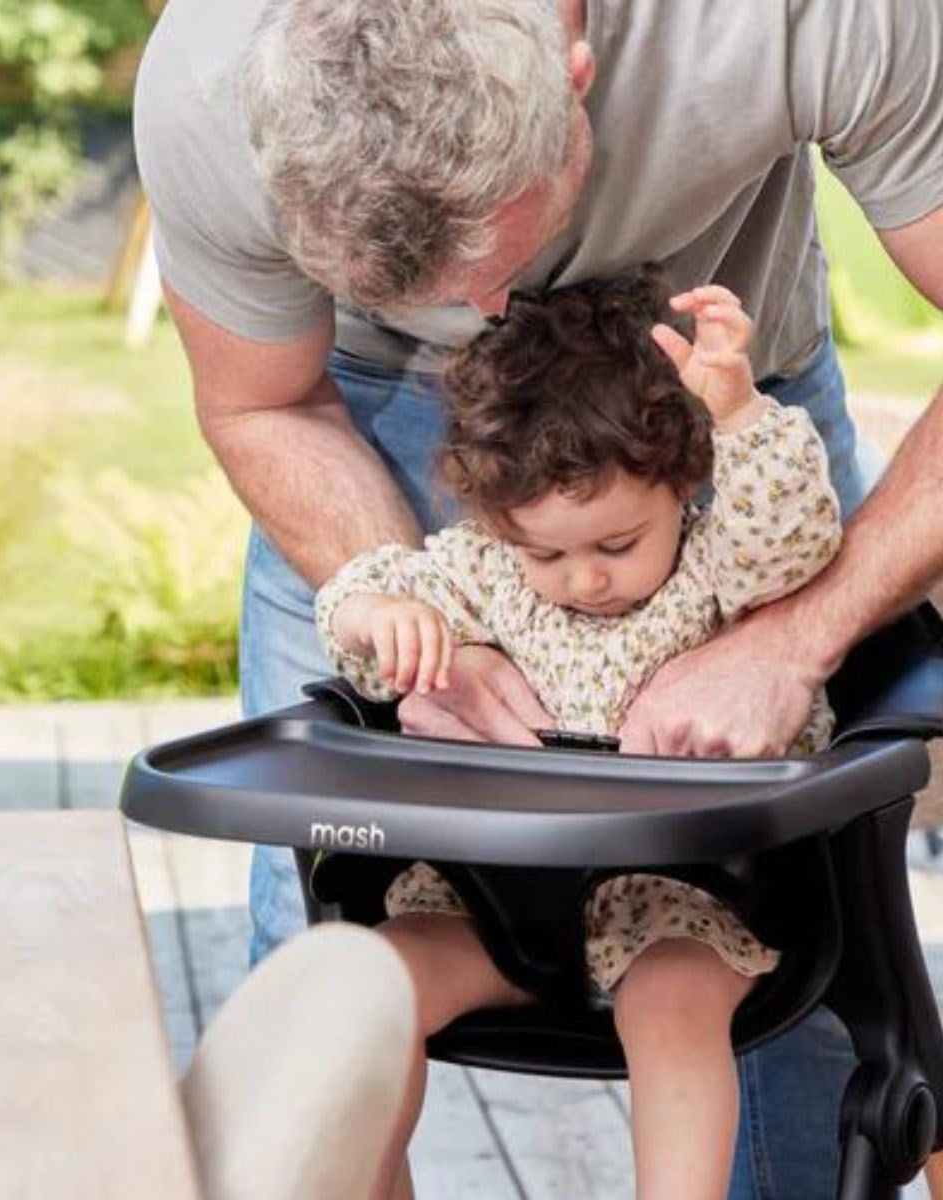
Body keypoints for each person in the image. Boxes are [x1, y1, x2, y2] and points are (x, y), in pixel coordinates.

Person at [134, 0, 943, 1192]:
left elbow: (777, 549)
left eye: (492, 261)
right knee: (320, 961)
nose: (477, 318)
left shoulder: (798, 16)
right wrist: (389, 609)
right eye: (420, 284)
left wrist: (796, 633)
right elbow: (262, 401)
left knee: (799, 998)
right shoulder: (211, 82)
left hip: (712, 401)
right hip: (353, 414)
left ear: (577, 82)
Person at [313, 273, 840, 1200]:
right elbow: (370, 599)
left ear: (682, 483)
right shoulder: (482, 573)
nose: (585, 580)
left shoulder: (722, 568)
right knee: (365, 995)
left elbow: (790, 537)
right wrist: (377, 618)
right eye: (547, 553)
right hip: (492, 906)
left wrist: (740, 414)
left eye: (616, 545)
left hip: (683, 904)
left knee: (674, 1008)